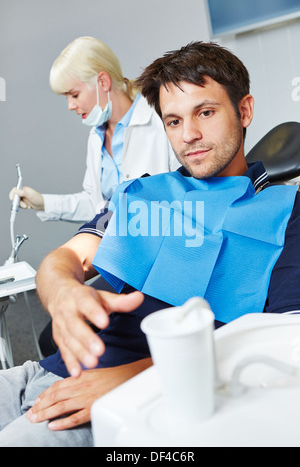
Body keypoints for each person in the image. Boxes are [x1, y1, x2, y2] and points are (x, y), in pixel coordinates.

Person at [1, 41, 300, 447]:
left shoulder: (286, 211)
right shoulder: (143, 193)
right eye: (173, 122)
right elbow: (66, 258)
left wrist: (132, 379)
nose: (189, 135)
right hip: (42, 373)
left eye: (205, 112)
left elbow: (283, 339)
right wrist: (63, 293)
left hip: (132, 399)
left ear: (244, 111)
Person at [9, 36, 178, 222]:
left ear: (103, 82)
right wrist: (43, 203)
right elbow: (95, 204)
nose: (70, 106)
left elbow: (188, 191)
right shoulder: (96, 137)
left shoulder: (160, 119)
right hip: (119, 244)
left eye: (74, 95)